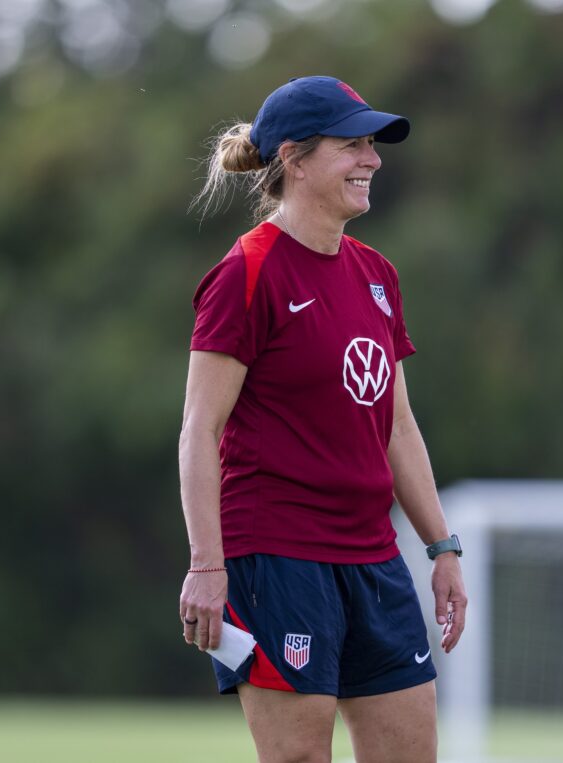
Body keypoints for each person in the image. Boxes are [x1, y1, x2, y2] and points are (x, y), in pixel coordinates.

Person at [178, 75, 467, 763]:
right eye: (352, 145)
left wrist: (441, 546)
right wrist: (206, 565)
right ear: (294, 159)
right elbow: (199, 429)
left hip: (372, 559)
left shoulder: (377, 275)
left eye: (372, 145)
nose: (371, 160)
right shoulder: (246, 273)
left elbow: (396, 425)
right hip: (275, 559)